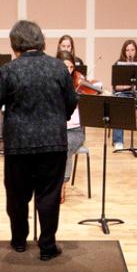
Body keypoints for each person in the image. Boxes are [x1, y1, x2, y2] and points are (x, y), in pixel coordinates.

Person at [0, 20, 77, 261]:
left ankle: (19, 241)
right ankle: (47, 247)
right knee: (49, 196)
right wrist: (58, 117)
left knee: (17, 196)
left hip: (19, 146)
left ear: (15, 44)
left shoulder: (9, 70)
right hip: (53, 144)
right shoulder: (59, 68)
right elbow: (71, 103)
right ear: (41, 41)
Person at [58, 51, 91, 202]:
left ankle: (62, 184)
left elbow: (94, 92)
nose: (69, 71)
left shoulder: (78, 81)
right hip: (56, 129)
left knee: (64, 146)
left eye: (71, 67)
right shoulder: (51, 82)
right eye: (66, 67)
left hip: (75, 131)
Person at [111, 39, 137, 151]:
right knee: (118, 106)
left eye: (132, 50)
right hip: (122, 93)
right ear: (124, 52)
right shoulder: (118, 64)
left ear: (136, 51)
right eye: (127, 50)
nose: (130, 52)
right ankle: (118, 141)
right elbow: (116, 87)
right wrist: (128, 85)